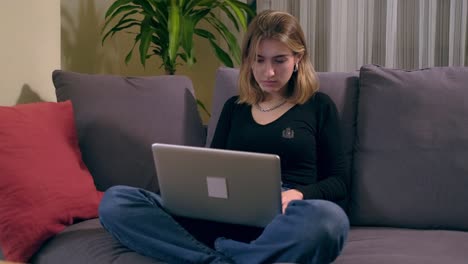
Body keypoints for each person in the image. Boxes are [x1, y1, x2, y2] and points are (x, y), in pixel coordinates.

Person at [99, 10, 349, 264]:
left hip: (283, 220)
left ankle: (222, 256)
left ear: (298, 58)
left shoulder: (318, 106)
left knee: (330, 221)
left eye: (279, 60)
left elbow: (340, 181)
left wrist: (298, 194)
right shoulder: (235, 107)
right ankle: (222, 259)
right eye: (259, 60)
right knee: (115, 201)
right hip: (223, 214)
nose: (268, 72)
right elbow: (212, 166)